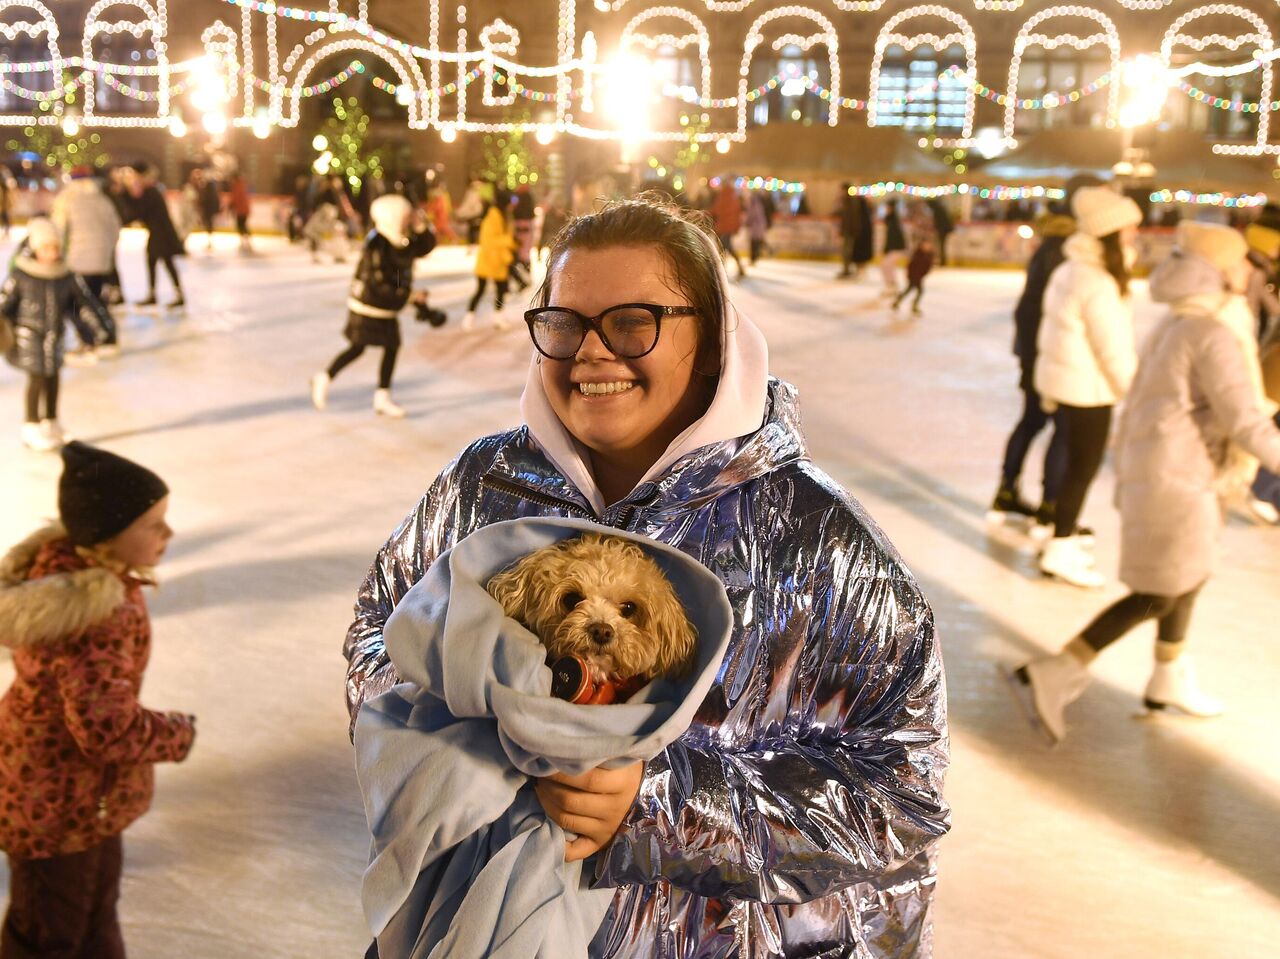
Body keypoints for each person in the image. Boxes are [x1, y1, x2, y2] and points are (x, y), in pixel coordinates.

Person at [343, 195, 949, 958]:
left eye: (634, 321)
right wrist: (465, 739)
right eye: (565, 323)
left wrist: (660, 804)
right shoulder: (483, 484)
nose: (592, 352)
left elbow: (900, 796)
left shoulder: (818, 538)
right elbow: (379, 632)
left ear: (711, 338)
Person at [1007, 222, 1280, 743]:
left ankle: (1168, 676)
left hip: (1169, 469)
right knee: (1160, 591)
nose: (1249, 270)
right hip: (1180, 476)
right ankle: (1060, 668)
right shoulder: (1213, 332)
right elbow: (1245, 420)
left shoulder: (1183, 323)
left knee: (1188, 577)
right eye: (1241, 261)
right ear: (1218, 271)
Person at [0, 441, 196, 957]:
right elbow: (105, 727)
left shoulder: (72, 576)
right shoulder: (97, 613)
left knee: (90, 914)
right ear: (108, 534)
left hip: (68, 793)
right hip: (58, 802)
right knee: (49, 932)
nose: (168, 534)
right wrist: (175, 733)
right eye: (153, 524)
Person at [1033, 187, 1143, 587]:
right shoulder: (1096, 281)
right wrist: (1133, 391)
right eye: (1130, 227)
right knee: (1083, 468)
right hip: (1089, 390)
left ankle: (1059, 528)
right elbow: (1111, 348)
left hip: (1068, 385)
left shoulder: (1070, 269)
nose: (1136, 234)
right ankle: (1061, 545)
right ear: (1111, 232)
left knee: (1071, 462)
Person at [987, 178, 1102, 529]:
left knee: (1035, 420)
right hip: (1048, 353)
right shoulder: (1067, 248)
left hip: (1036, 350)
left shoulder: (1055, 241)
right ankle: (1051, 506)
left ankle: (1009, 491)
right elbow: (1048, 311)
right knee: (1063, 429)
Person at [311, 194, 437, 418]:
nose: (409, 220)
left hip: (387, 305)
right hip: (369, 305)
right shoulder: (377, 242)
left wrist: (422, 225)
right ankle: (325, 376)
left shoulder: (400, 239)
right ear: (394, 217)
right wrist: (409, 296)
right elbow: (378, 283)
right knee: (358, 347)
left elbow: (425, 246)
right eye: (406, 216)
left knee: (391, 347)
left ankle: (382, 397)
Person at [1, 217, 114, 451]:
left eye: (54, 247)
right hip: (28, 339)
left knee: (53, 379)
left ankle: (51, 422)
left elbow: (83, 304)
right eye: (45, 247)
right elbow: (4, 303)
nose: (51, 252)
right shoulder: (21, 275)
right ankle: (31, 426)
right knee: (37, 379)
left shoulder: (66, 276)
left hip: (55, 338)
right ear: (35, 248)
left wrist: (101, 327)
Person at [50, 167, 123, 355]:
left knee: (71, 303)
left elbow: (58, 230)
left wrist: (58, 256)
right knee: (96, 299)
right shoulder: (102, 199)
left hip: (76, 261)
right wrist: (106, 251)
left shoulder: (66, 200)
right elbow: (115, 228)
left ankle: (89, 338)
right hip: (101, 261)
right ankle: (107, 337)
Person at [125, 164, 186, 309]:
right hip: (159, 232)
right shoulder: (152, 190)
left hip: (161, 233)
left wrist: (130, 196)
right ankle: (159, 294)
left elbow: (140, 212)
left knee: (164, 262)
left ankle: (175, 294)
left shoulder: (150, 192)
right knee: (155, 261)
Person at [461, 189, 517, 332]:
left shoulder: (504, 216)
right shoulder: (492, 217)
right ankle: (469, 317)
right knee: (480, 290)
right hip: (488, 260)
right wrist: (510, 241)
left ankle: (498, 318)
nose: (512, 205)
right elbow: (489, 241)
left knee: (501, 290)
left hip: (499, 261)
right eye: (510, 202)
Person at [709, 179, 746, 280]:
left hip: (722, 227)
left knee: (723, 249)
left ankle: (722, 271)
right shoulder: (734, 198)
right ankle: (737, 268)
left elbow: (715, 210)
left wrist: (706, 213)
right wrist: (736, 227)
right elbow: (738, 214)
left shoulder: (722, 197)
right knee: (726, 248)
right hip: (728, 228)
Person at [893, 234, 935, 316]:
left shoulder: (929, 255)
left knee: (909, 290)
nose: (928, 246)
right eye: (926, 244)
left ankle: (897, 302)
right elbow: (911, 266)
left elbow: (927, 267)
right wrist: (910, 275)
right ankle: (914, 306)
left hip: (919, 277)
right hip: (914, 277)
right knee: (919, 291)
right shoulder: (918, 254)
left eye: (929, 244)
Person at [837, 187, 872, 279]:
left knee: (849, 252)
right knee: (848, 252)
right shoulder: (848, 202)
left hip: (851, 232)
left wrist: (852, 231)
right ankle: (848, 269)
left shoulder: (851, 203)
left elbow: (850, 219)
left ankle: (849, 270)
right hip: (850, 232)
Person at [879, 201, 907, 296]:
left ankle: (892, 286)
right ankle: (892, 285)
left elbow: (893, 237)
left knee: (886, 265)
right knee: (887, 266)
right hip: (895, 248)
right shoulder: (891, 221)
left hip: (897, 248)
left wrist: (887, 249)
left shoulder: (893, 222)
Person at [225, 168, 253, 253]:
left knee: (241, 225)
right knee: (242, 225)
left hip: (242, 210)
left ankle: (245, 241)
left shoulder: (237, 186)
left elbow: (235, 198)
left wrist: (230, 206)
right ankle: (245, 241)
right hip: (243, 209)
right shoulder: (241, 184)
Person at [745, 189, 769, 265]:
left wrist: (747, 222)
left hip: (756, 228)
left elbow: (752, 215)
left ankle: (753, 258)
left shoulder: (754, 205)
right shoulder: (758, 205)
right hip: (758, 227)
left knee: (754, 243)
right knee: (756, 242)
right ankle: (754, 257)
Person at [926, 198, 953, 267]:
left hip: (943, 230)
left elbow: (938, 222)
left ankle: (942, 261)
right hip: (944, 230)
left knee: (941, 245)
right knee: (941, 245)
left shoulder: (937, 210)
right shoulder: (940, 209)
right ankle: (941, 260)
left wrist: (935, 228)